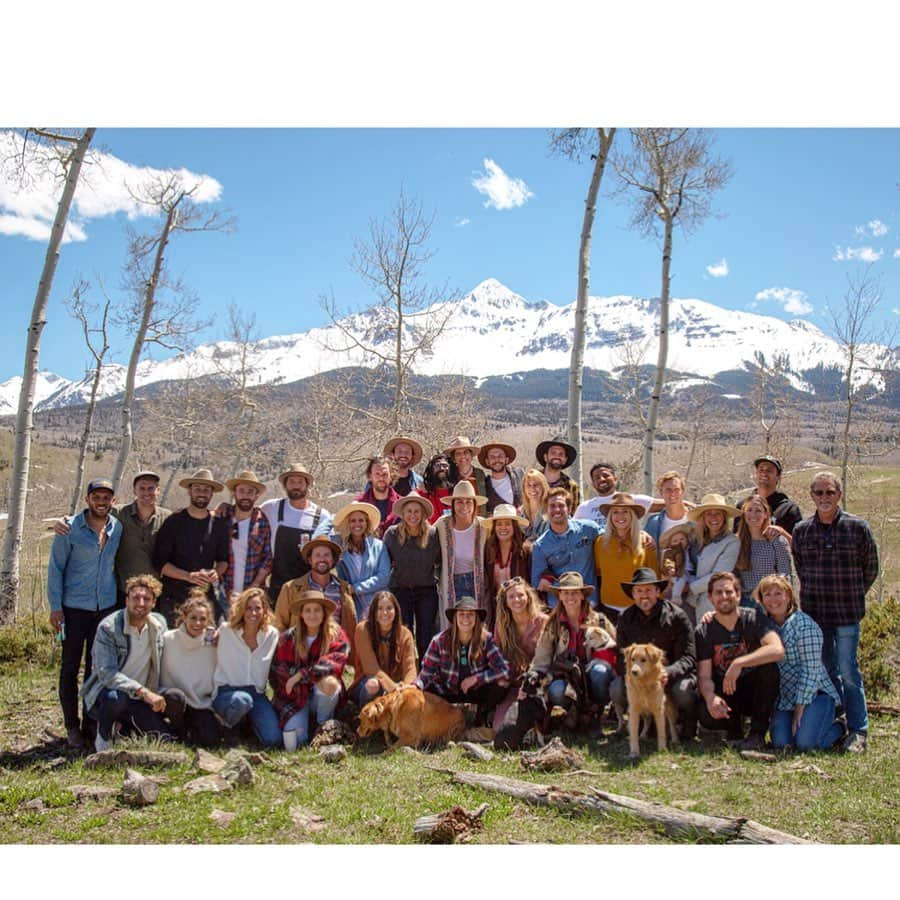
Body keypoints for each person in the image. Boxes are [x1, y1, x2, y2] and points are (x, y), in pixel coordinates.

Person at [791, 471, 879, 753]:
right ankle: (836, 721)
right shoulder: (802, 531)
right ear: (812, 496)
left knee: (848, 670)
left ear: (839, 495)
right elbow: (801, 568)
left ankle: (859, 730)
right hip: (816, 614)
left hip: (846, 614)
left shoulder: (857, 527)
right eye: (819, 493)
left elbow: (871, 568)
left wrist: (853, 592)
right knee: (827, 671)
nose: (824, 498)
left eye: (829, 492)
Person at [494, 572, 616, 749]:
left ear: (582, 595)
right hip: (568, 676)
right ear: (560, 596)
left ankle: (596, 716)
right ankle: (574, 715)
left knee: (599, 672)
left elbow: (615, 647)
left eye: (574, 592)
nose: (570, 597)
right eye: (565, 593)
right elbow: (542, 657)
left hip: (591, 673)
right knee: (556, 691)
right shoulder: (554, 623)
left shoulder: (599, 620)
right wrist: (529, 681)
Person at [48, 478, 122, 748]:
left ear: (113, 501)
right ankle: (71, 726)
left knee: (97, 668)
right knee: (70, 667)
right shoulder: (70, 529)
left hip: (105, 608)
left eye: (106, 498)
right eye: (96, 497)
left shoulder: (117, 528)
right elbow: (55, 568)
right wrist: (55, 607)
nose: (101, 502)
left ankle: (91, 723)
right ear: (88, 499)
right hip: (73, 608)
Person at [81, 574, 179, 752]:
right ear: (126, 600)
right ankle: (103, 737)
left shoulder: (158, 625)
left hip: (141, 699)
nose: (141, 603)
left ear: (154, 603)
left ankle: (124, 730)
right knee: (115, 698)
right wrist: (143, 692)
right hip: (109, 696)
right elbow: (107, 674)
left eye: (146, 599)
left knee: (166, 740)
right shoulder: (109, 628)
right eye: (136, 598)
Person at [52, 470, 171, 608]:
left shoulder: (168, 518)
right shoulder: (119, 513)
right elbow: (95, 511)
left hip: (156, 593)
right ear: (134, 491)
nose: (146, 492)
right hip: (123, 592)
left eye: (151, 488)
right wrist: (65, 521)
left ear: (158, 490)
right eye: (142, 488)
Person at [695, 571, 784, 750]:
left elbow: (777, 649)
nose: (724, 597)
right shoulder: (704, 630)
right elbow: (704, 675)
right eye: (718, 593)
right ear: (710, 597)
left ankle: (757, 733)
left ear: (738, 595)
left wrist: (739, 663)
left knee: (769, 669)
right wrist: (710, 697)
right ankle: (733, 730)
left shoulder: (753, 617)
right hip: (727, 691)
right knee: (706, 712)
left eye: (729, 592)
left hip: (754, 690)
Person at [755, 574, 845, 752]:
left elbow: (810, 671)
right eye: (767, 594)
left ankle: (840, 726)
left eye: (778, 593)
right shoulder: (764, 626)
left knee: (807, 745)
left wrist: (799, 708)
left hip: (815, 694)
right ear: (761, 600)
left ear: (788, 596)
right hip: (785, 698)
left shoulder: (804, 625)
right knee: (783, 744)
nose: (773, 599)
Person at [609, 568, 698, 740]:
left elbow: (689, 657)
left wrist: (668, 672)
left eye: (649, 590)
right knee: (617, 688)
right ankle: (644, 722)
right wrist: (634, 677)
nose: (644, 595)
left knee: (683, 691)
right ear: (633, 594)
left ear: (658, 591)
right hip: (638, 677)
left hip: (672, 675)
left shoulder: (677, 616)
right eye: (639, 591)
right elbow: (621, 658)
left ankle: (687, 723)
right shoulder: (625, 618)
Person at [270, 589, 350, 749]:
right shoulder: (287, 637)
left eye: (317, 610)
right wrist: (309, 677)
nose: (312, 615)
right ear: (301, 614)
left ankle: (323, 725)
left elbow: (333, 664)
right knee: (298, 741)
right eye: (308, 610)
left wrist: (300, 675)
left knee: (330, 683)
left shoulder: (336, 634)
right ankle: (306, 724)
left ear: (324, 613)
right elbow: (280, 672)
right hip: (296, 698)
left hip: (320, 694)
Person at [415, 596, 510, 726]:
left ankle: (483, 714)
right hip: (447, 691)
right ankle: (439, 718)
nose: (466, 618)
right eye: (462, 614)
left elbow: (504, 670)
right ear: (455, 618)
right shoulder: (439, 641)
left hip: (475, 691)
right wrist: (415, 686)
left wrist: (477, 678)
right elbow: (426, 673)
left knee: (502, 683)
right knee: (424, 691)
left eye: (470, 614)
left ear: (476, 618)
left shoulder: (486, 639)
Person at [153, 468, 229, 626]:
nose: (202, 493)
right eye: (197, 489)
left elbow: (223, 560)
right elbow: (160, 563)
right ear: (189, 491)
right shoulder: (173, 522)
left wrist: (215, 573)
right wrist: (188, 576)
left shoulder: (219, 525)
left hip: (204, 598)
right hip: (173, 597)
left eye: (206, 490)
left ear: (212, 493)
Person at [212, 586, 281, 747]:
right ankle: (227, 728)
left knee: (273, 740)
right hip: (227, 692)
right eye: (248, 608)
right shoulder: (226, 631)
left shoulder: (271, 635)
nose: (253, 613)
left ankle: (248, 725)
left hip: (256, 693)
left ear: (265, 610)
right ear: (241, 610)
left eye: (258, 608)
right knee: (242, 701)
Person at [259, 463, 333, 604]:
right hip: (278, 587)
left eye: (300, 482)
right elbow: (247, 514)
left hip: (309, 589)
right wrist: (223, 507)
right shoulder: (272, 507)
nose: (296, 485)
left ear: (307, 486)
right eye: (292, 481)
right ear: (285, 486)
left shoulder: (321, 516)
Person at [273, 536, 358, 655]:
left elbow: (351, 626)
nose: (322, 559)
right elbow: (279, 624)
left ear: (333, 560)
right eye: (317, 555)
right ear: (310, 560)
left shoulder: (343, 589)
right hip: (301, 656)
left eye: (326, 555)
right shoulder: (291, 589)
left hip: (335, 655)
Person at [382, 493, 442, 660]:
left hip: (426, 590)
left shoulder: (432, 534)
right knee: (403, 634)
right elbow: (384, 562)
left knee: (425, 636)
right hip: (400, 589)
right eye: (409, 511)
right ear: (402, 513)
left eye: (417, 511)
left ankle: (426, 674)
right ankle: (405, 672)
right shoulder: (392, 534)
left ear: (423, 513)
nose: (413, 515)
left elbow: (440, 561)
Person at [158, 589, 220, 747]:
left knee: (210, 740)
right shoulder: (168, 639)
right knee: (175, 698)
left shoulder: (212, 641)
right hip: (175, 700)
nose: (197, 623)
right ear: (184, 617)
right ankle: (178, 730)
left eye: (202, 619)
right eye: (193, 618)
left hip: (201, 702)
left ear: (208, 621)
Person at [491, 577, 548, 730]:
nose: (517, 600)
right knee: (499, 727)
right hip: (515, 686)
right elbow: (497, 658)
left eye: (521, 595)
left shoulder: (543, 622)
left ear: (528, 597)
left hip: (541, 683)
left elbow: (552, 658)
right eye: (512, 596)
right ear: (505, 602)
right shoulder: (501, 626)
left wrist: (531, 682)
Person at [593, 492, 659, 623]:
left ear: (632, 516)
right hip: (608, 609)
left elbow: (654, 578)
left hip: (638, 608)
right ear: (610, 516)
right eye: (615, 512)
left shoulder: (645, 542)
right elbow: (598, 573)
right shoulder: (600, 543)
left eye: (625, 511)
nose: (620, 516)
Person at [530, 487, 602, 607]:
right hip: (559, 606)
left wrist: (641, 534)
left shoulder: (588, 529)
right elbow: (537, 581)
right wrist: (552, 581)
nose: (557, 509)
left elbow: (609, 537)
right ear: (546, 511)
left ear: (569, 509)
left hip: (589, 603)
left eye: (561, 505)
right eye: (552, 506)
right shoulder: (540, 545)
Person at [350, 590, 418, 710]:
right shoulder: (363, 629)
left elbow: (410, 668)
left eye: (389, 608)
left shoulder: (405, 634)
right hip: (368, 684)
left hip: (396, 686)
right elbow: (371, 669)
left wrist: (406, 687)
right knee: (373, 685)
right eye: (379, 608)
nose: (384, 612)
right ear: (373, 611)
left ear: (396, 611)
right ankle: (367, 718)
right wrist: (395, 690)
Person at [435, 480, 489, 618]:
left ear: (475, 505)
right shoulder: (442, 525)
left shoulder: (483, 527)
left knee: (476, 623)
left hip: (477, 582)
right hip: (451, 583)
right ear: (452, 505)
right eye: (459, 501)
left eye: (468, 502)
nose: (464, 506)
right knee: (453, 625)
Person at [217, 470, 272, 602]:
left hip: (252, 595)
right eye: (241, 491)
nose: (245, 496)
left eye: (250, 492)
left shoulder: (263, 521)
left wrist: (253, 587)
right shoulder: (222, 517)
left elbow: (268, 558)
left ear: (256, 495)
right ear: (234, 493)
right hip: (222, 591)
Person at [686, 493, 741, 620]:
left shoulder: (731, 542)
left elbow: (719, 575)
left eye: (718, 513)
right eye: (709, 514)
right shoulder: (696, 539)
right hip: (691, 601)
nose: (713, 518)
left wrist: (690, 587)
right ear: (703, 517)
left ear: (724, 517)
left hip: (714, 602)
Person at [333, 501, 390, 619]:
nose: (357, 524)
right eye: (353, 521)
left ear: (366, 523)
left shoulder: (379, 546)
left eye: (361, 520)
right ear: (348, 524)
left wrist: (356, 588)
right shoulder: (342, 550)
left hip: (379, 604)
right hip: (354, 606)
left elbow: (384, 577)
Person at [734, 494, 793, 605]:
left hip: (770, 600)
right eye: (749, 510)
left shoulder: (776, 540)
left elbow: (785, 573)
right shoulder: (736, 542)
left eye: (758, 511)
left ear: (766, 514)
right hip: (744, 600)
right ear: (744, 513)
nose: (753, 514)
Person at [483, 504, 533, 625]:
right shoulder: (489, 549)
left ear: (514, 526)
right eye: (499, 524)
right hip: (498, 608)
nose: (503, 527)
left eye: (507, 524)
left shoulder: (525, 549)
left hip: (520, 606)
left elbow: (531, 581)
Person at [574, 462, 659, 529]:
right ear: (593, 484)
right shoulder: (584, 508)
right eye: (597, 477)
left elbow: (669, 505)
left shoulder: (631, 501)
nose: (602, 479)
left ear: (615, 479)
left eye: (606, 475)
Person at [735, 455, 802, 536]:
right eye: (761, 470)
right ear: (756, 474)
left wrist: (782, 532)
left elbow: (798, 544)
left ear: (778, 476)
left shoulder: (788, 509)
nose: (764, 473)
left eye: (769, 470)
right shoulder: (742, 506)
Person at [644, 471, 691, 547]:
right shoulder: (653, 523)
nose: (672, 493)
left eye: (676, 489)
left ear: (682, 492)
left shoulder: (695, 520)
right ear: (661, 492)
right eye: (668, 490)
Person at [356, 456, 400, 537]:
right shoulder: (359, 505)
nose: (381, 478)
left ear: (391, 476)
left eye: (385, 474)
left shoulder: (401, 505)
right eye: (377, 474)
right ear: (370, 476)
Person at [535, 436, 580, 512]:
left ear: (565, 460)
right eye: (553, 453)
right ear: (545, 457)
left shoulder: (571, 486)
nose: (557, 456)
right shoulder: (532, 480)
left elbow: (574, 514)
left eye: (561, 454)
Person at [445, 436, 488, 514]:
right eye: (458, 453)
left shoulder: (480, 474)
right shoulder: (449, 476)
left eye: (466, 452)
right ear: (454, 458)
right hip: (458, 521)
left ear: (471, 456)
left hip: (480, 520)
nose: (463, 456)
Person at [478, 440, 524, 513]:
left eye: (500, 456)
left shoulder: (519, 476)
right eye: (492, 457)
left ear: (506, 459)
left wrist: (523, 507)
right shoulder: (483, 486)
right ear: (487, 462)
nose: (497, 459)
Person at [519, 468, 550, 542]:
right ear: (524, 489)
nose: (532, 488)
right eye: (528, 485)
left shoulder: (552, 510)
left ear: (543, 487)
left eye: (536, 485)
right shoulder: (520, 513)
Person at [420, 453, 452, 524]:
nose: (441, 468)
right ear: (431, 469)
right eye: (437, 465)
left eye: (445, 465)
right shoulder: (422, 493)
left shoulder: (456, 492)